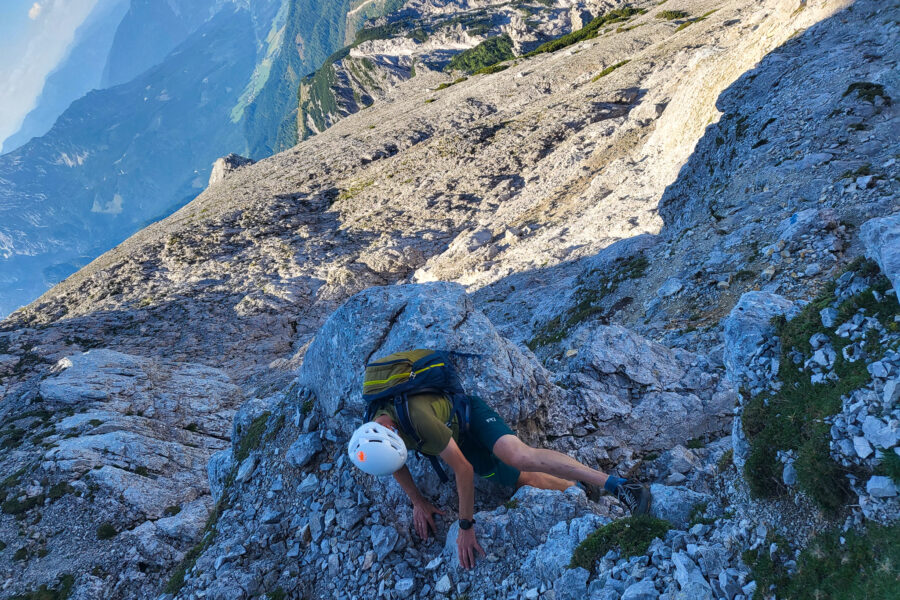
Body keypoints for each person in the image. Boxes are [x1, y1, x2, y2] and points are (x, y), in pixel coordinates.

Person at [348, 392, 651, 569]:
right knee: (519, 478)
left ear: (393, 432)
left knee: (519, 456)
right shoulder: (373, 436)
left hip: (469, 416)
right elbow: (396, 464)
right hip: (455, 437)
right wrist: (417, 501)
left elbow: (463, 470)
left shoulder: (418, 421)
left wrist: (466, 527)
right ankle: (577, 489)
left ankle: (620, 485)